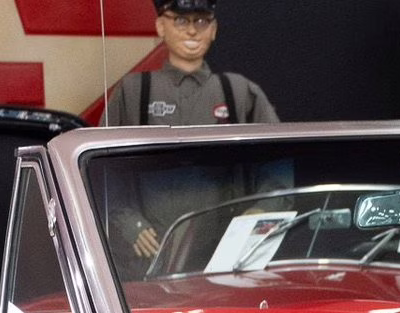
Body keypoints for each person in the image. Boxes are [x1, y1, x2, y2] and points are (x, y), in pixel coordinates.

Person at [103, 0, 283, 262]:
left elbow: (278, 160)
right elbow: (99, 170)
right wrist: (129, 224)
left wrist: (261, 212)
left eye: (201, 21)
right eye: (181, 20)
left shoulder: (238, 92)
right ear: (160, 26)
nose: (192, 31)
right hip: (148, 254)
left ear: (214, 29)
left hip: (225, 254)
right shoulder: (134, 92)